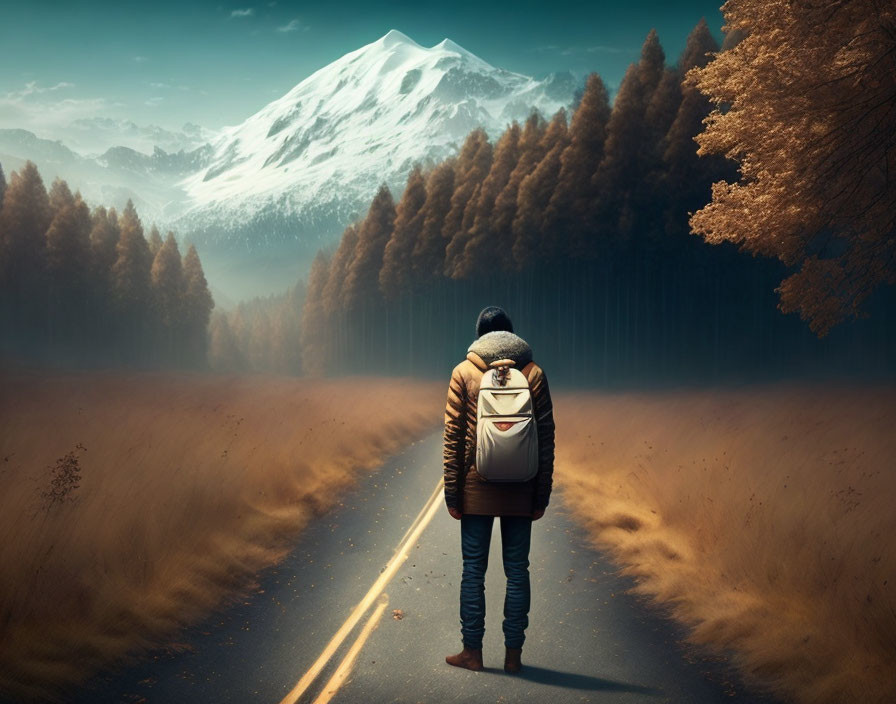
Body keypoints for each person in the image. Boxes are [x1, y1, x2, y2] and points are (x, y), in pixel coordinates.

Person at [442, 306, 555, 674]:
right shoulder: (533, 374)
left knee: (473, 570)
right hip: (523, 488)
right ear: (511, 334)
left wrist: (453, 495)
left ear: (479, 336)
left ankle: (472, 653)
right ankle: (513, 656)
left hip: (476, 489)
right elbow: (546, 439)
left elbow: (453, 440)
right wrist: (541, 496)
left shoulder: (463, 372)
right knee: (517, 570)